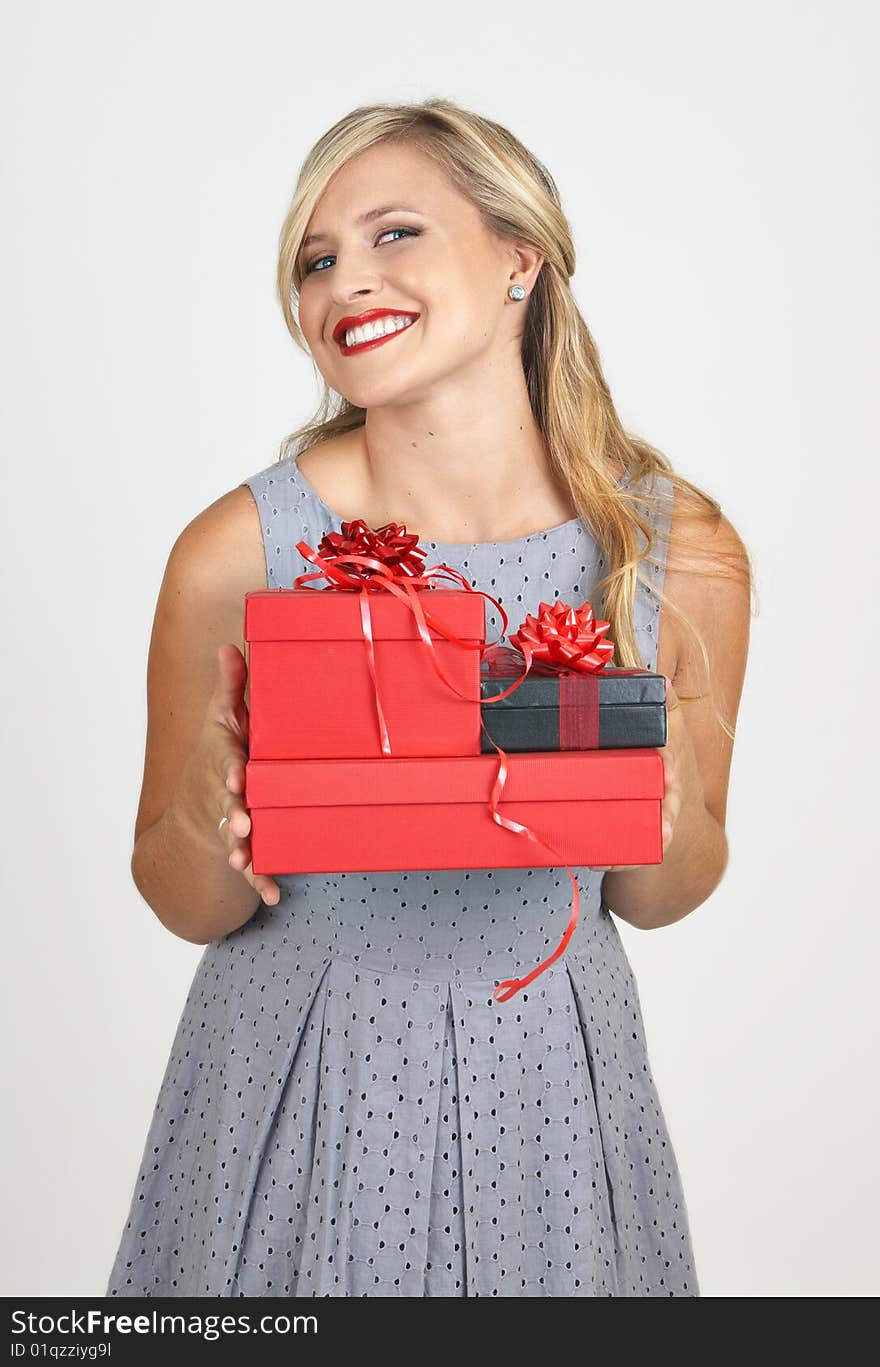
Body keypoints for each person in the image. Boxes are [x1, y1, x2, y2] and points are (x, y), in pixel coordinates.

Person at [106, 98, 752, 1298]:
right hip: (298, 1063)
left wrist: (658, 802)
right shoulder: (239, 552)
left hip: (549, 1080)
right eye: (315, 259)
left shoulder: (677, 550)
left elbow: (662, 893)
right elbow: (182, 896)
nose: (345, 279)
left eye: (393, 232)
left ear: (521, 256)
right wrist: (210, 807)